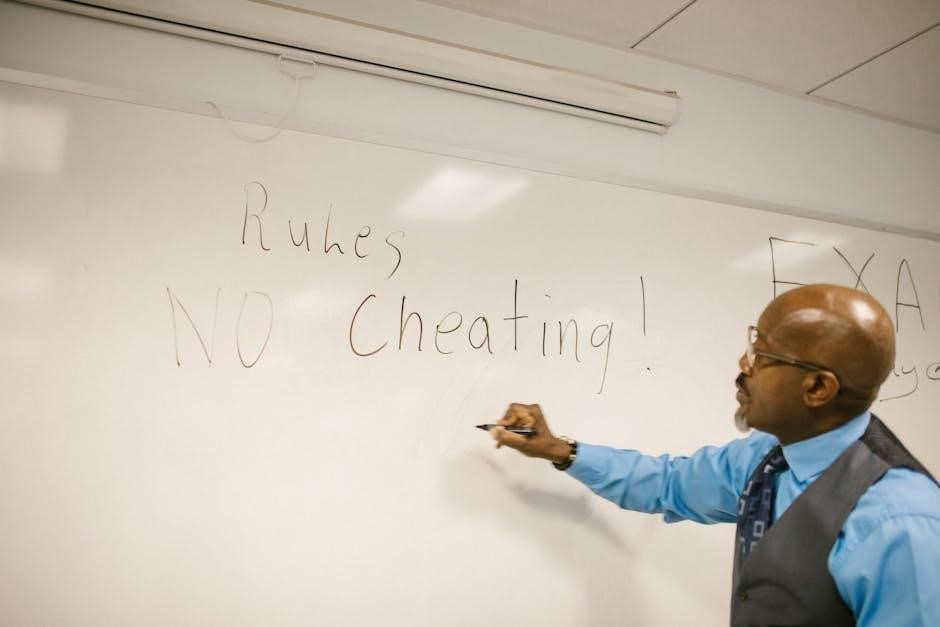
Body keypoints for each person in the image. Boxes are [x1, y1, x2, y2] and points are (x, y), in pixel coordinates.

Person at [487, 284, 940, 627]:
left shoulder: (899, 523)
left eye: (762, 355)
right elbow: (668, 484)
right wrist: (558, 450)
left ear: (818, 388)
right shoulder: (767, 457)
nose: (744, 366)